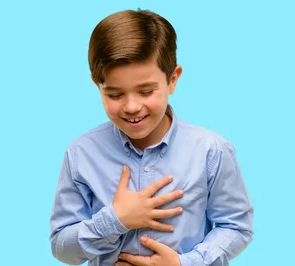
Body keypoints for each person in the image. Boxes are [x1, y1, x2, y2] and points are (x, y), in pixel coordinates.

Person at [49, 9, 254, 266]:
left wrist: (185, 263)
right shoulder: (81, 154)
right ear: (96, 85)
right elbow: (61, 248)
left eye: (146, 91)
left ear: (172, 79)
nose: (132, 106)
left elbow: (236, 226)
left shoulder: (211, 150)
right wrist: (115, 220)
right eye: (114, 95)